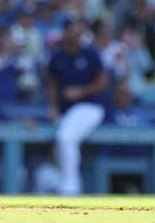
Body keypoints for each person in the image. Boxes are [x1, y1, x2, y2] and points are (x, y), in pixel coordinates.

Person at [46, 18, 109, 195]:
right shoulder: (57, 56)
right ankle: (64, 184)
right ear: (65, 33)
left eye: (78, 31)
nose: (76, 34)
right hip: (67, 111)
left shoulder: (90, 53)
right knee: (60, 143)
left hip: (90, 107)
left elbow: (103, 82)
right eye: (72, 31)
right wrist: (52, 108)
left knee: (66, 137)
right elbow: (51, 85)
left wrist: (80, 91)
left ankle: (70, 188)